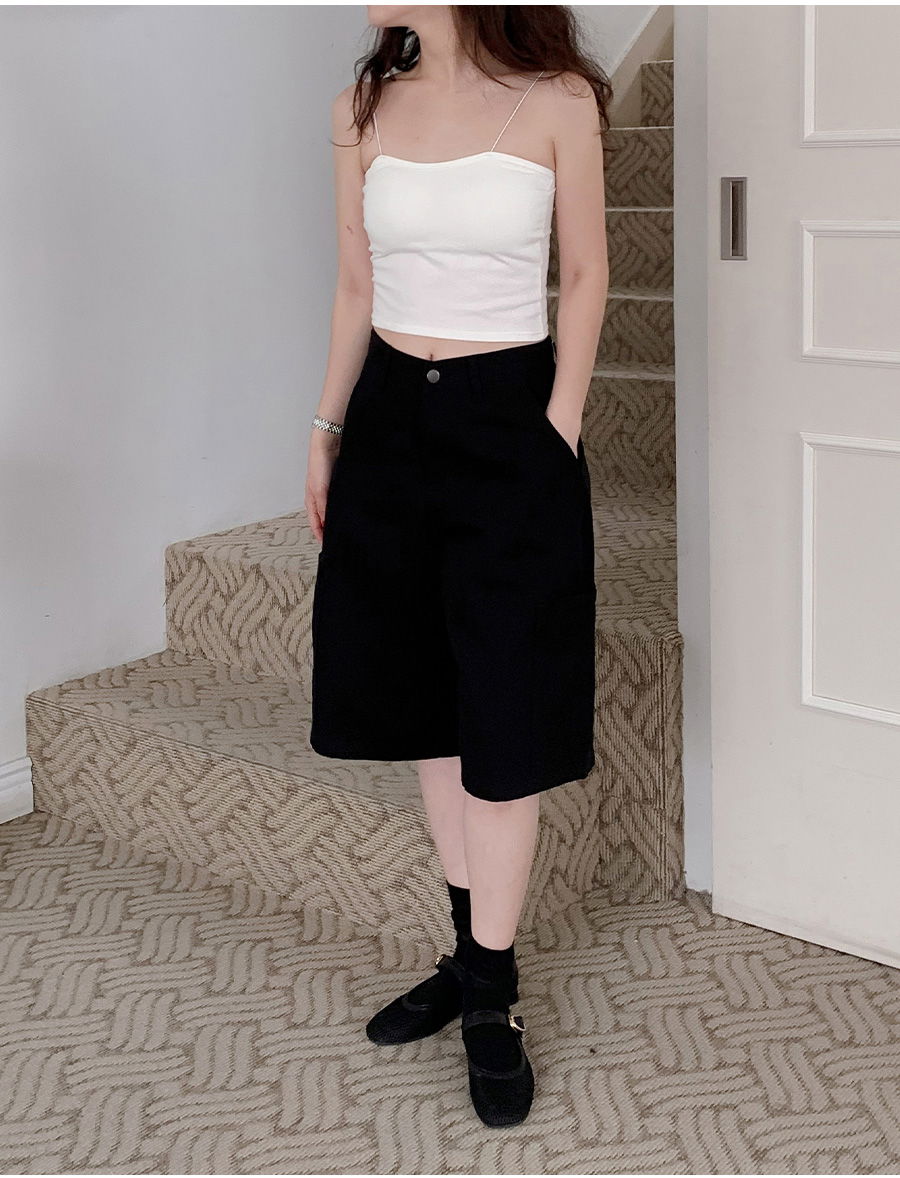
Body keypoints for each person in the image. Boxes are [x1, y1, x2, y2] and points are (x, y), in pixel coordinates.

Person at [306, 5, 610, 1128]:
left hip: (508, 419)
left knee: (504, 714)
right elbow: (355, 285)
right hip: (390, 421)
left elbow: (586, 274)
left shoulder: (558, 101)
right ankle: (472, 959)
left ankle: (491, 997)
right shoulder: (359, 109)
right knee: (428, 708)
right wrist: (325, 430)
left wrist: (555, 433)